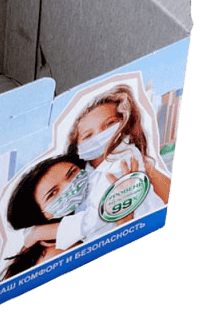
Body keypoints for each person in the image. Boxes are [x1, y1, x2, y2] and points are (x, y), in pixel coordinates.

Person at [23, 85, 170, 253]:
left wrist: (40, 232)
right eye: (88, 135)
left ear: (122, 124)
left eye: (109, 124)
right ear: (78, 147)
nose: (100, 136)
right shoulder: (89, 171)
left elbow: (94, 219)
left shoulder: (123, 159)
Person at [0, 153, 88, 280]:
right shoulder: (59, 254)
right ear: (41, 215)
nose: (70, 186)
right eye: (52, 193)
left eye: (72, 173)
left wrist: (40, 233)